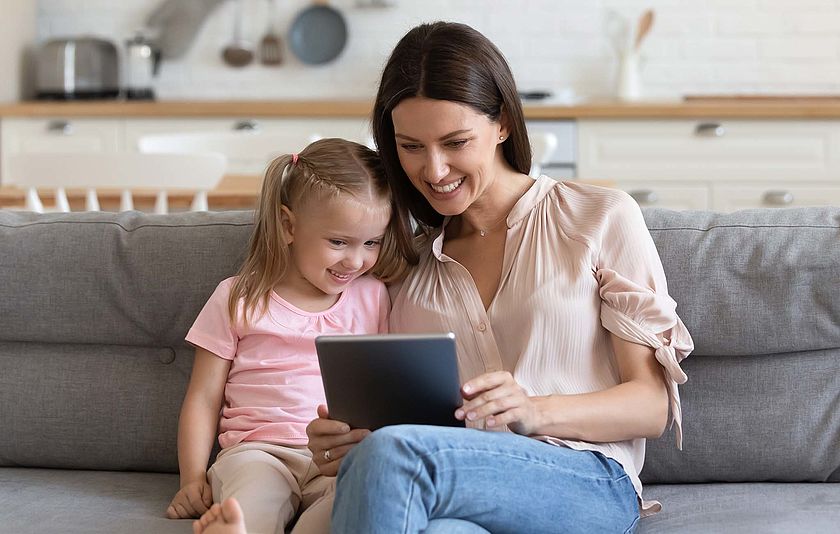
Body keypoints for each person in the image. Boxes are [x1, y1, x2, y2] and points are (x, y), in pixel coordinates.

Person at [304, 21, 695, 534]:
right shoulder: (404, 264)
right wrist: (350, 444)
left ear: (504, 123)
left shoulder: (598, 217)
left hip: (585, 478)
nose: (435, 169)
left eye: (456, 141)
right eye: (411, 146)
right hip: (452, 488)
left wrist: (532, 410)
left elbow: (651, 405)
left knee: (395, 456)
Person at [165, 138, 410, 534]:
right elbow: (203, 397)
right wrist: (192, 479)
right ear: (288, 225)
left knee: (342, 511)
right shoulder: (238, 297)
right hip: (258, 451)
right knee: (255, 503)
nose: (356, 259)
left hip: (337, 456)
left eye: (371, 242)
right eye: (338, 242)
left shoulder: (373, 296)